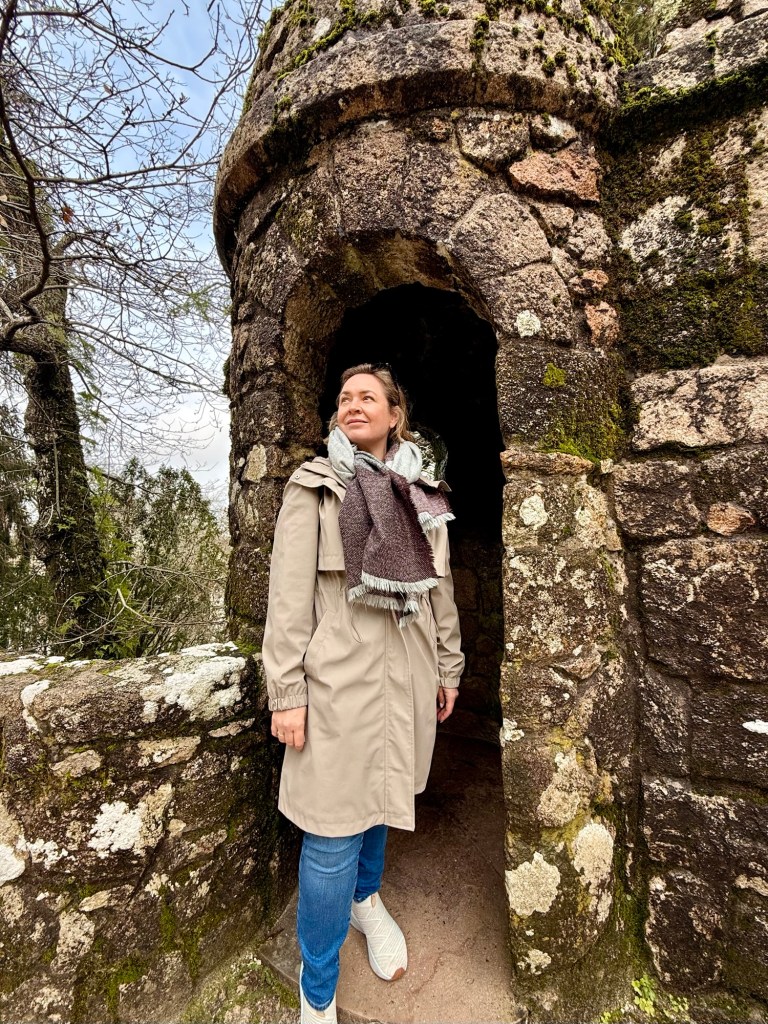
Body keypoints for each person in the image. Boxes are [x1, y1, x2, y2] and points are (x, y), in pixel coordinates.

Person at [262, 362, 465, 1024]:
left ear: (394, 414)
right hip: (336, 687)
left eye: (368, 396)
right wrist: (286, 692)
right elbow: (288, 600)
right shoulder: (314, 488)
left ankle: (366, 902)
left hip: (407, 682)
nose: (353, 404)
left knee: (382, 805)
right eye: (345, 397)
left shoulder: (423, 494)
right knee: (329, 839)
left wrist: (449, 666)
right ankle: (317, 989)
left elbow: (439, 593)